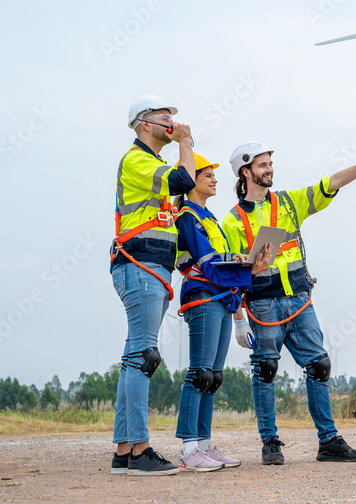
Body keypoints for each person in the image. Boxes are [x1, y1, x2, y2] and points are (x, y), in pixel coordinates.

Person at [221, 141, 356, 465]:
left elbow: (331, 183)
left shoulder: (291, 202)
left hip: (300, 302)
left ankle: (328, 441)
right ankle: (270, 443)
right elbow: (231, 277)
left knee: (319, 366)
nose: (269, 169)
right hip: (262, 307)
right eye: (262, 165)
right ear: (245, 172)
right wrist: (237, 320)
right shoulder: (232, 221)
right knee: (266, 371)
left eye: (270, 164)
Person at [110, 95, 194, 476]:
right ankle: (141, 450)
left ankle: (125, 451)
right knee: (144, 356)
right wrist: (187, 144)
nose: (172, 123)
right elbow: (184, 179)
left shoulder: (152, 164)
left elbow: (167, 217)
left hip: (151, 266)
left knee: (134, 357)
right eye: (165, 118)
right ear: (145, 123)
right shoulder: (138, 160)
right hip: (139, 264)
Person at [173, 153, 272, 472]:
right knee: (199, 372)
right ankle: (189, 448)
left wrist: (251, 265)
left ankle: (203, 445)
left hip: (221, 296)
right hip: (202, 296)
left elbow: (222, 263)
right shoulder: (188, 216)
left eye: (215, 175)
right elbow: (208, 262)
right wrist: (245, 262)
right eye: (207, 175)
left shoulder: (209, 216)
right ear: (191, 181)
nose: (216, 179)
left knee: (213, 378)